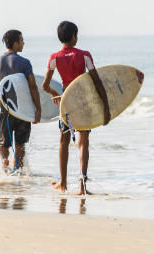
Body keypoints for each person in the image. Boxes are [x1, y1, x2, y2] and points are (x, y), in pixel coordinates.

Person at [42, 21, 111, 195]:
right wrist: (106, 107)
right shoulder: (85, 55)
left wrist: (54, 94)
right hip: (83, 99)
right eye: (77, 34)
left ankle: (63, 184)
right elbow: (97, 81)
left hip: (66, 99)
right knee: (83, 141)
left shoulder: (54, 57)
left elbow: (45, 85)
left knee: (64, 141)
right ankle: (82, 187)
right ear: (73, 36)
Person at [0, 30, 41, 173]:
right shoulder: (24, 62)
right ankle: (18, 170)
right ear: (15, 43)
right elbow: (32, 86)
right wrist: (38, 109)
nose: (23, 43)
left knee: (3, 143)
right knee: (20, 144)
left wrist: (0, 98)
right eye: (22, 40)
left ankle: (4, 166)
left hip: (5, 109)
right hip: (22, 110)